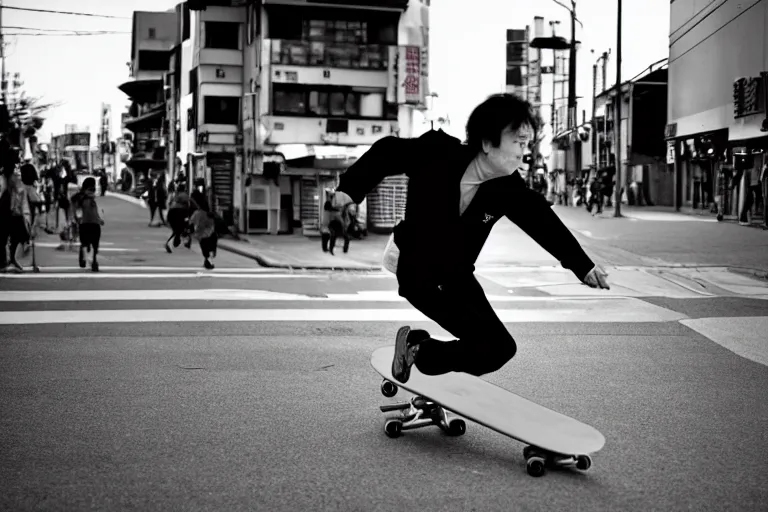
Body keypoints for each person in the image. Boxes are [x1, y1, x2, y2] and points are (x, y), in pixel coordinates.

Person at [331, 93, 610, 384]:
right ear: (488, 143)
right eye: (517, 142)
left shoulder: (507, 188)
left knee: (501, 349)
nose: (523, 152)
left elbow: (543, 222)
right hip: (417, 271)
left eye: (527, 144)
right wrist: (350, 189)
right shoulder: (438, 154)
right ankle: (417, 350)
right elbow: (388, 150)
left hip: (456, 275)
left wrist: (584, 266)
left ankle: (418, 350)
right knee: (480, 341)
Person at [71, 177, 105, 272]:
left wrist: (99, 219)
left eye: (93, 189)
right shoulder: (81, 200)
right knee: (88, 243)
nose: (93, 192)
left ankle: (93, 260)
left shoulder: (87, 199)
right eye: (91, 189)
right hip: (86, 224)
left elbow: (95, 212)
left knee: (92, 244)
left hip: (91, 224)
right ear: (86, 189)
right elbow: (77, 212)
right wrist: (76, 220)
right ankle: (88, 258)